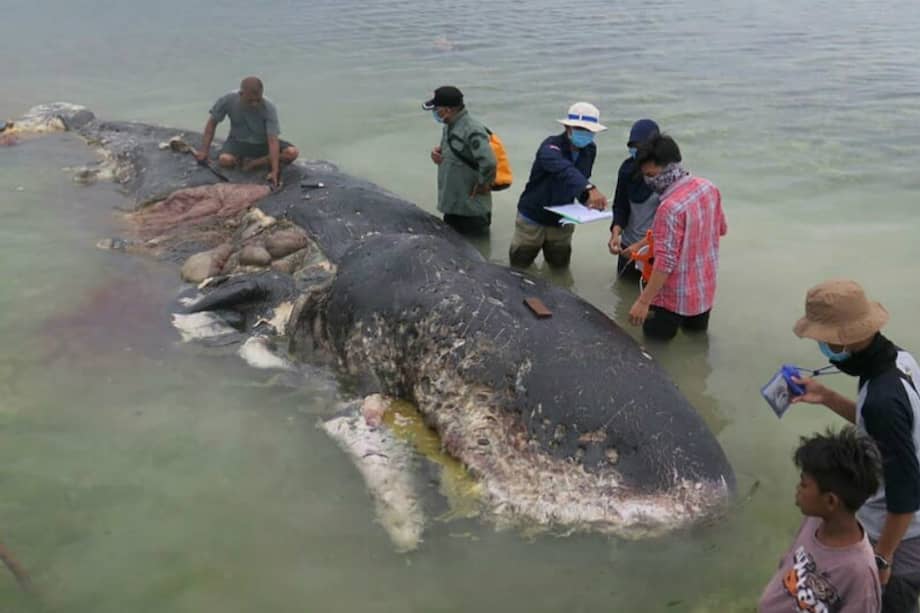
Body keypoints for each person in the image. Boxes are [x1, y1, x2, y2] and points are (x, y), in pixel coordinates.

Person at [791, 279, 920, 612]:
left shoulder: (882, 400)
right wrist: (827, 397)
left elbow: (905, 494)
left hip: (899, 535)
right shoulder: (897, 361)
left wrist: (882, 558)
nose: (821, 345)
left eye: (823, 339)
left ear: (843, 338)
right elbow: (883, 430)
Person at [759, 427, 882, 612]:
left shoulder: (859, 573)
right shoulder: (815, 520)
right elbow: (790, 561)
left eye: (804, 484)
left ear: (830, 501)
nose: (798, 489)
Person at [627, 134, 726, 340]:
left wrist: (644, 302)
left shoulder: (669, 208)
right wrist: (643, 243)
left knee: (655, 350)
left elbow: (665, 262)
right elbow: (720, 229)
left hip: (671, 298)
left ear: (667, 167)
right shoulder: (708, 187)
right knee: (696, 345)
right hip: (702, 291)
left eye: (650, 174)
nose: (648, 180)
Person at [509, 102, 608, 268]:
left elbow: (579, 178)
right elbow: (564, 170)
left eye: (589, 131)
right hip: (532, 218)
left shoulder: (590, 150)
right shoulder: (550, 147)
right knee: (519, 267)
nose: (585, 134)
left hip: (563, 219)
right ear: (567, 127)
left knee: (560, 268)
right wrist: (590, 188)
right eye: (580, 129)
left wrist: (587, 200)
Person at [195, 77, 299, 188]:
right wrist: (204, 151)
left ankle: (255, 163)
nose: (254, 104)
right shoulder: (228, 100)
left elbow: (272, 140)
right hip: (237, 141)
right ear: (241, 94)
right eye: (250, 101)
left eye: (258, 100)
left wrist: (275, 171)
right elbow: (212, 123)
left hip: (262, 143)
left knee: (292, 152)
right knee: (224, 160)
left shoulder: (269, 107)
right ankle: (240, 160)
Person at [424, 86, 497, 235]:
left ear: (448, 110)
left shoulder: (472, 130)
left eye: (436, 108)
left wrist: (483, 184)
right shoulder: (449, 126)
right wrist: (436, 154)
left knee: (476, 253)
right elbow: (455, 152)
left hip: (471, 211)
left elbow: (489, 162)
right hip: (453, 205)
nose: (435, 112)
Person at [608, 118, 661, 278]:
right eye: (632, 146)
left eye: (640, 147)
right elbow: (620, 206)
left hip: (654, 250)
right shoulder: (627, 170)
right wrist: (615, 233)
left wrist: (642, 245)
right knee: (624, 294)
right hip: (627, 247)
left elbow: (667, 225)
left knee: (650, 296)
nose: (636, 151)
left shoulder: (665, 176)